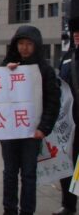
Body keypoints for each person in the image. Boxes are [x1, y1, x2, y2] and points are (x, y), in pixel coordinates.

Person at [1, 25, 60, 215]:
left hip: (31, 133)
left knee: (28, 174)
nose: (24, 48)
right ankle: (9, 210)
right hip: (10, 132)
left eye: (28, 44)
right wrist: (6, 72)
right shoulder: (7, 66)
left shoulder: (45, 71)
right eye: (21, 44)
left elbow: (53, 102)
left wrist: (43, 128)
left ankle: (27, 211)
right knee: (9, 173)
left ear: (36, 46)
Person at [54, 17, 79, 215]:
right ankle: (68, 205)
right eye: (74, 33)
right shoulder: (68, 58)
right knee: (67, 165)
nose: (76, 36)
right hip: (70, 123)